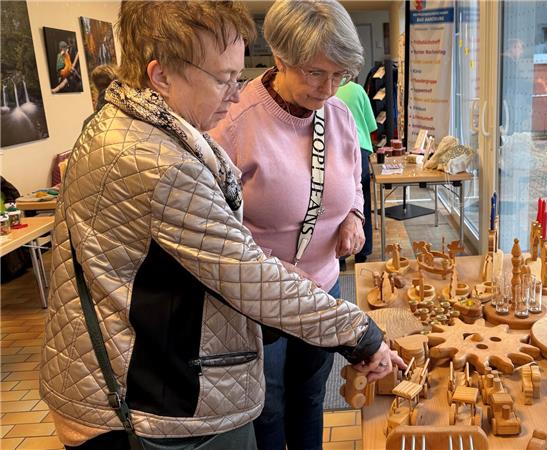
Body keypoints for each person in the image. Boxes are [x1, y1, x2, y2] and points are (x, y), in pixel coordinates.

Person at [40, 2, 402, 449]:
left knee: (303, 401)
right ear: (161, 76)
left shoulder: (124, 125)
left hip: (150, 371)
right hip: (148, 395)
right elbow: (246, 274)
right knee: (270, 411)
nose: (236, 94)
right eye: (224, 79)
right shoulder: (162, 163)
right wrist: (362, 335)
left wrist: (353, 216)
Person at [208, 2, 369, 449]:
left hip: (323, 289)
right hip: (262, 305)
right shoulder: (234, 122)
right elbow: (215, 226)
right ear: (280, 59)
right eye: (317, 73)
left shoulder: (338, 114)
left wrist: (354, 215)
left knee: (311, 396)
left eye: (340, 75)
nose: (330, 88)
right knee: (269, 405)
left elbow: (352, 180)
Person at [336, 81, 377, 264]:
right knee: (363, 201)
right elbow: (370, 125)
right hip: (360, 148)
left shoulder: (323, 89)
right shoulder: (358, 90)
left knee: (339, 202)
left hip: (335, 148)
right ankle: (363, 252)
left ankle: (341, 256)